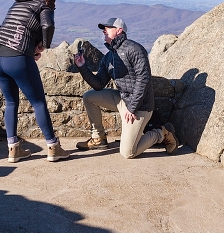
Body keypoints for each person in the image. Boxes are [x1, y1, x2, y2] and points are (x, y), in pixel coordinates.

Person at [0, 0, 71, 162]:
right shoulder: (43, 5)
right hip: (16, 57)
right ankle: (53, 147)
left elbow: (17, 27)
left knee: (10, 102)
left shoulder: (18, 3)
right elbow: (47, 25)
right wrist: (44, 45)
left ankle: (13, 149)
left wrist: (31, 46)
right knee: (38, 102)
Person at [73, 17, 179, 159]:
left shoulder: (134, 49)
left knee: (128, 152)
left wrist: (132, 107)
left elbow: (144, 79)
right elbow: (98, 84)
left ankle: (161, 133)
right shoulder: (109, 56)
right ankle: (99, 138)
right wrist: (82, 67)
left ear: (119, 30)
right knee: (89, 97)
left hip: (140, 105)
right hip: (123, 99)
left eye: (108, 28)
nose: (104, 30)